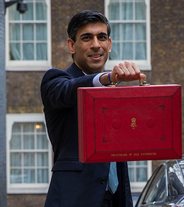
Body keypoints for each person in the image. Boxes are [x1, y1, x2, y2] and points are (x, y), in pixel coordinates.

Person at [41, 10, 146, 207]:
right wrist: (106, 78)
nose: (96, 45)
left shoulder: (115, 90)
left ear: (110, 44)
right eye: (87, 38)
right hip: (74, 198)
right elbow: (69, 90)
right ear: (72, 45)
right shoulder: (55, 80)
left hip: (115, 199)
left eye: (102, 37)